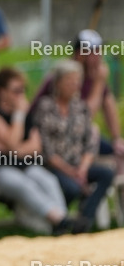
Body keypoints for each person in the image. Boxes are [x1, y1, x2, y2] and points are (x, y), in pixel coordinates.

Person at [0, 67, 77, 235]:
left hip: (24, 166)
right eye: (16, 91)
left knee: (48, 180)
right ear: (1, 91)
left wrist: (10, 148)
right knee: (24, 184)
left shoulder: (27, 116)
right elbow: (14, 143)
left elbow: (36, 148)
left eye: (23, 90)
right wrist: (19, 116)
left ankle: (61, 223)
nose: (21, 95)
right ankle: (61, 221)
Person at [32, 60, 114, 233]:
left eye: (77, 81)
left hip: (78, 166)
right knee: (72, 188)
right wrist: (71, 172)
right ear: (58, 83)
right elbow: (45, 149)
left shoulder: (80, 107)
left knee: (106, 174)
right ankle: (58, 222)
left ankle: (84, 219)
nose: (74, 85)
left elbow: (90, 143)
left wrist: (82, 169)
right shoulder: (45, 107)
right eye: (70, 80)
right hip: (53, 166)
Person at [34, 30, 124, 165]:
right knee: (94, 132)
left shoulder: (92, 74)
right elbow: (84, 117)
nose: (98, 55)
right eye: (93, 51)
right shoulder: (66, 76)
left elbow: (108, 104)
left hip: (77, 135)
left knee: (118, 151)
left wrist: (117, 139)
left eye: (99, 50)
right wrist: (99, 84)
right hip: (57, 138)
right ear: (80, 54)